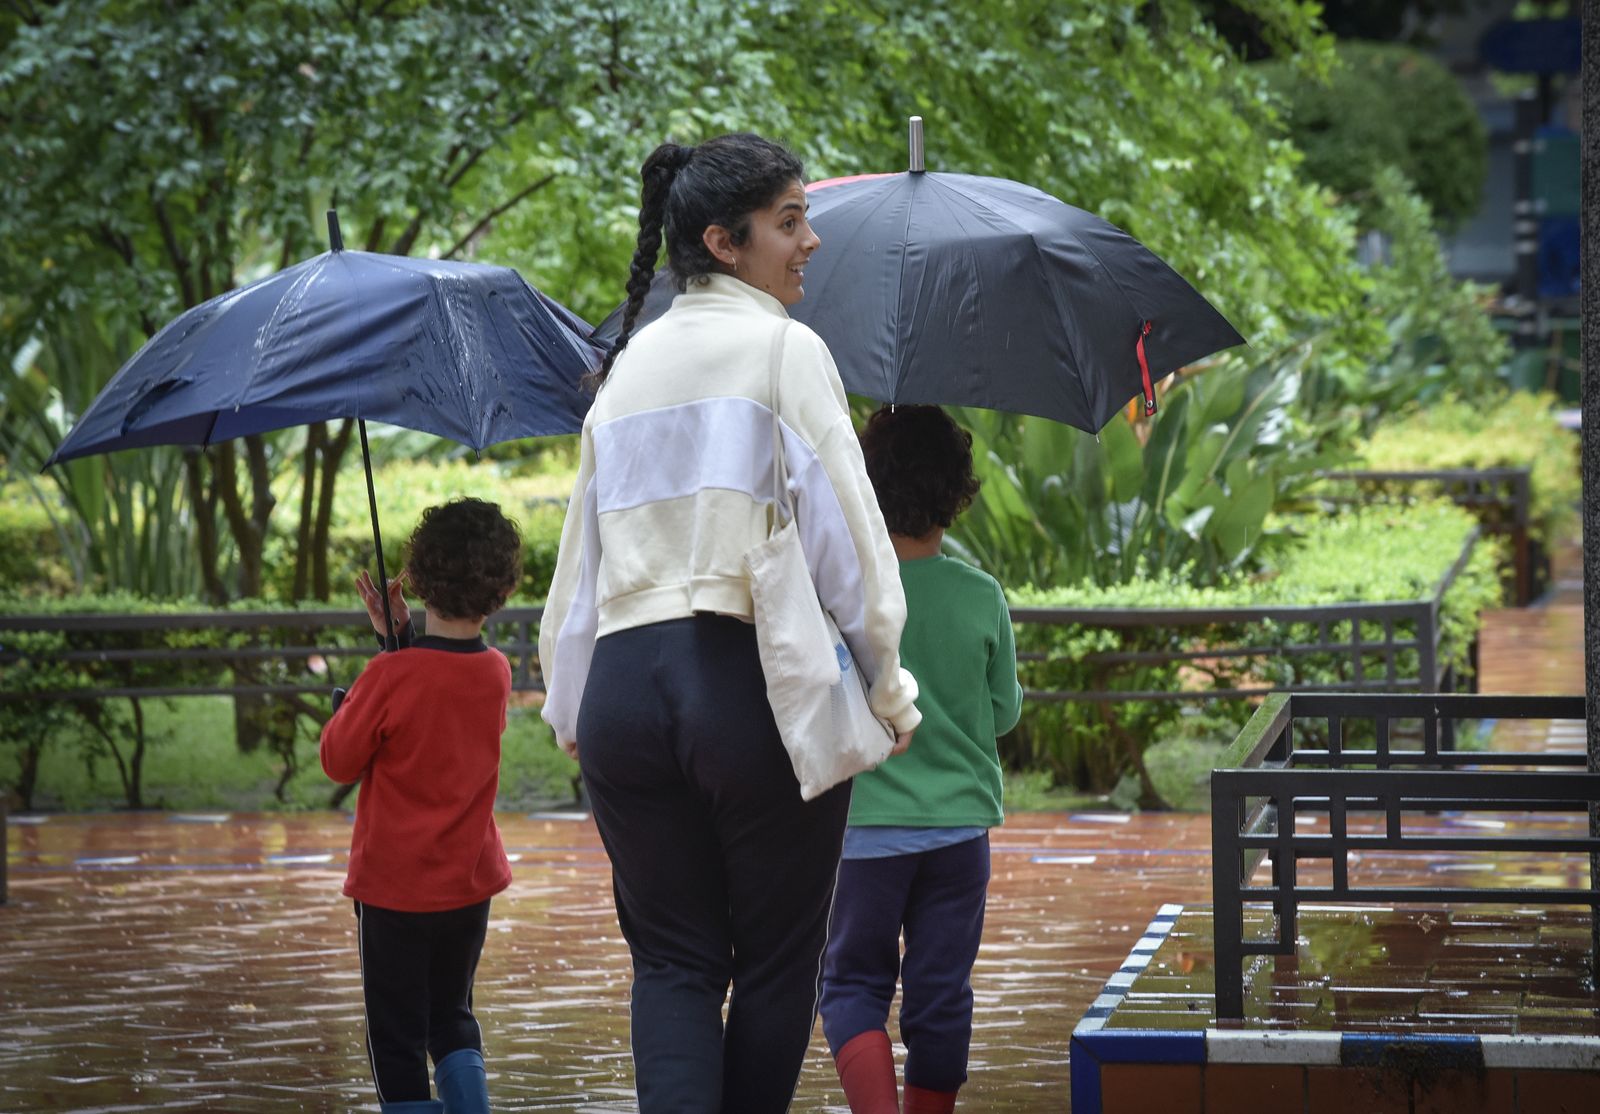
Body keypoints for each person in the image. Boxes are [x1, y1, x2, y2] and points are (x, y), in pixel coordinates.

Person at [538, 133, 921, 1113]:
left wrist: (570, 707)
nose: (811, 241)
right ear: (723, 240)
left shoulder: (623, 372)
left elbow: (577, 572)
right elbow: (852, 548)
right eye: (790, 221)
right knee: (778, 960)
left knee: (670, 961)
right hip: (743, 684)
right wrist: (886, 687)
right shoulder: (784, 351)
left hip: (623, 698)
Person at [818, 406, 1024, 1114]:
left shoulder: (842, 597)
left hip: (861, 831)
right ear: (956, 495)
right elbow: (1004, 714)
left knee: (850, 987)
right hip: (959, 834)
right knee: (941, 994)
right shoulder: (981, 596)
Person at [321, 497, 524, 1114]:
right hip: (467, 887)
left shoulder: (390, 678)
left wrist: (365, 686)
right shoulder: (496, 671)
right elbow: (438, 694)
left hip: (395, 892)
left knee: (396, 1035)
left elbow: (338, 759)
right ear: (500, 588)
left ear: (420, 576)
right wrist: (398, 640)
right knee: (450, 1016)